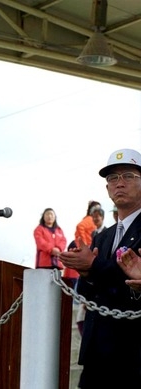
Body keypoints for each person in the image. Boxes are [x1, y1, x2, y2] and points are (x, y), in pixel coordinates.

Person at [59, 148, 141, 388]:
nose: (119, 184)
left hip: (133, 354)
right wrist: (86, 273)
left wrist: (94, 266)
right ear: (107, 189)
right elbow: (88, 293)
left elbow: (131, 281)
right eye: (112, 179)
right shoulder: (102, 237)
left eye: (128, 175)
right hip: (97, 354)